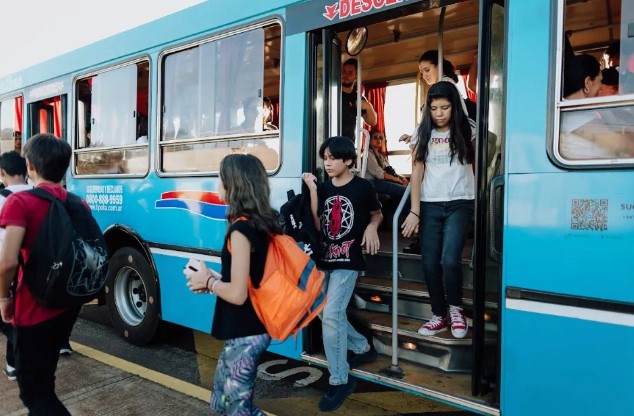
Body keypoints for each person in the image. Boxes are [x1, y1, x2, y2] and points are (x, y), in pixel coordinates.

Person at [185, 153, 279, 416]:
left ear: (234, 184)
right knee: (223, 401)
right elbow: (248, 278)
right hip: (250, 327)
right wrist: (212, 278)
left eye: (220, 178)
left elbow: (237, 294)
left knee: (237, 409)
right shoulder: (259, 223)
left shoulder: (240, 230)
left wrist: (209, 282)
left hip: (247, 331)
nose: (217, 183)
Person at [0, 133, 80, 415]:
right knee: (45, 380)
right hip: (67, 306)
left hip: (33, 308)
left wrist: (3, 299)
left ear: (30, 166)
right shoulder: (77, 202)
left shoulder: (20, 202)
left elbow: (7, 263)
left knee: (35, 395)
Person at [302, 136, 382, 412]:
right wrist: (313, 190)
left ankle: (339, 380)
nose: (328, 163)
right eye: (325, 158)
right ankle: (362, 346)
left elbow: (377, 214)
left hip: (349, 260)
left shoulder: (363, 187)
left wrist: (372, 227)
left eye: (333, 158)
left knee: (332, 314)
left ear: (348, 160)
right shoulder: (324, 188)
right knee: (323, 311)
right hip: (325, 258)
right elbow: (317, 223)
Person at [401, 81, 475, 339]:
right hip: (430, 203)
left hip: (460, 202)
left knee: (450, 260)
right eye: (434, 108)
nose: (439, 113)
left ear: (455, 106)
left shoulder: (468, 129)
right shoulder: (422, 132)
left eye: (445, 107)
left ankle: (456, 309)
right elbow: (417, 172)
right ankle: (439, 314)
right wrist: (415, 211)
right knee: (430, 262)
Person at [560, 54, 633, 159]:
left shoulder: (570, 113)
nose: (601, 87)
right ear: (587, 83)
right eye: (600, 81)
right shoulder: (579, 119)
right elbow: (626, 146)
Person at [0, 151, 32, 381]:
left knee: (9, 318)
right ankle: (13, 365)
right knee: (19, 316)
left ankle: (19, 360)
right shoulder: (41, 195)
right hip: (35, 271)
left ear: (3, 172)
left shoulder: (3, 199)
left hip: (8, 268)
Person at [341, 58, 377, 141]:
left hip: (348, 144)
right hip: (329, 142)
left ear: (356, 77)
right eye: (344, 72)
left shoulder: (357, 98)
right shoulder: (332, 93)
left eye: (350, 73)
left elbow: (372, 122)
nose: (345, 75)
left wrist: (368, 107)